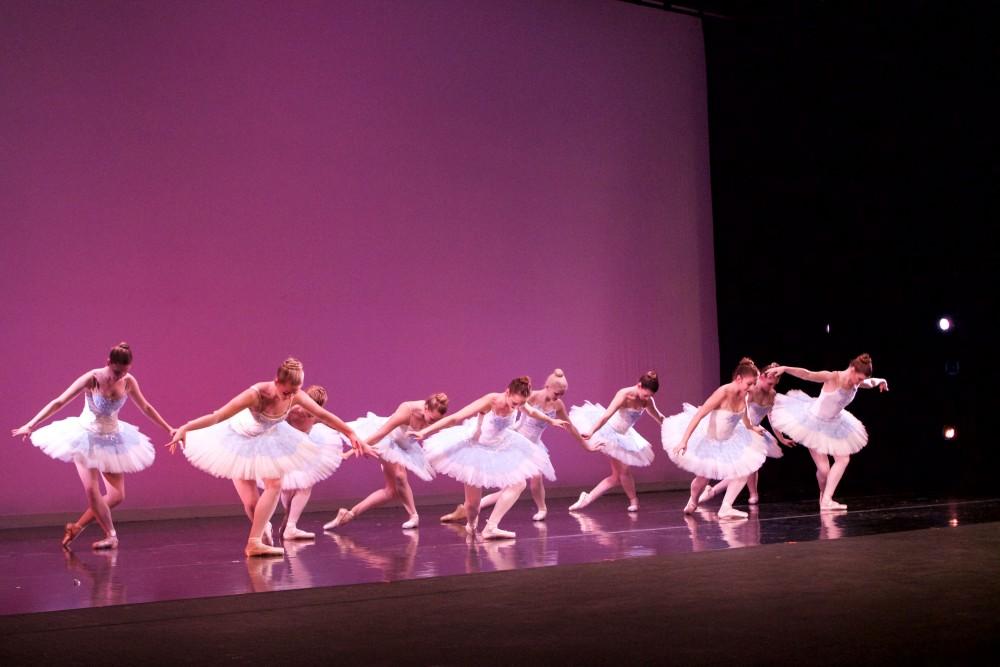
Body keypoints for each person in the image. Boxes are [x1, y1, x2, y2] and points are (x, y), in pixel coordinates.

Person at [166, 358, 370, 557]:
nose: (289, 396)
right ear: (277, 381)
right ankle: (261, 531)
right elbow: (217, 416)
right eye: (286, 391)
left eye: (294, 391)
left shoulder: (295, 394)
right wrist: (186, 428)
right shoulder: (256, 394)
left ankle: (253, 543)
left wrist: (351, 434)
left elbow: (323, 415)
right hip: (238, 441)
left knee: (275, 484)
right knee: (251, 503)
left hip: (266, 438)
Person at [11, 342, 174, 550]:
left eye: (123, 372)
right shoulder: (92, 378)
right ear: (108, 362)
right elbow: (59, 401)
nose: (118, 377)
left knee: (117, 496)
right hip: (86, 437)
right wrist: (30, 424)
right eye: (116, 371)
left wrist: (168, 428)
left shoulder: (129, 381)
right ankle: (111, 536)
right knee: (92, 490)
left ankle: (77, 527)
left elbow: (146, 407)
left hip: (112, 439)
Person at [411, 377, 563, 539]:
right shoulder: (492, 400)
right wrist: (424, 432)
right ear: (507, 392)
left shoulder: (520, 401)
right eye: (514, 403)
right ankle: (471, 524)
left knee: (519, 484)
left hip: (500, 446)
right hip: (477, 448)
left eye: (520, 404)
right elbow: (455, 418)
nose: (517, 407)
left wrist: (550, 420)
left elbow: (532, 411)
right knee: (473, 506)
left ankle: (491, 526)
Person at [768, 353, 888, 511]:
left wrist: (882, 381)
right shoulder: (832, 377)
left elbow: (870, 382)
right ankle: (824, 496)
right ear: (852, 369)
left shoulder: (857, 383)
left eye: (861, 380)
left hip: (835, 423)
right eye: (858, 378)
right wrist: (785, 368)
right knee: (824, 470)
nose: (859, 382)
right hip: (813, 423)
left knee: (843, 459)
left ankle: (826, 500)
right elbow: (807, 374)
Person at [324, 392, 449, 530]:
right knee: (400, 475)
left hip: (406, 446)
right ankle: (414, 516)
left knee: (391, 492)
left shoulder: (436, 416)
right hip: (388, 442)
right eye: (431, 419)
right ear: (426, 408)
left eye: (435, 421)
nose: (430, 423)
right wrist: (351, 452)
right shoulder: (407, 411)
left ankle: (349, 514)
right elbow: (381, 433)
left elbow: (450, 424)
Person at [662, 358, 767, 519]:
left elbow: (745, 419)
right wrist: (684, 440)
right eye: (750, 383)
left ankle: (725, 507)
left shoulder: (744, 395)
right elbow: (699, 415)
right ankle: (693, 500)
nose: (752, 387)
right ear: (738, 378)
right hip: (710, 440)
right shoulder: (723, 392)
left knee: (744, 470)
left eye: (754, 384)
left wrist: (753, 427)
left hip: (728, 441)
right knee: (703, 479)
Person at [698, 363, 796, 506]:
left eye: (774, 382)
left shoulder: (773, 395)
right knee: (746, 466)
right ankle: (716, 491)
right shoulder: (752, 390)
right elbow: (742, 409)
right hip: (742, 428)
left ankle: (744, 493)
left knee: (751, 465)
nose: (771, 385)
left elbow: (772, 417)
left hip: (754, 430)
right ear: (762, 377)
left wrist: (781, 438)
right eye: (769, 381)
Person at [567, 371, 665, 513]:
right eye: (646, 394)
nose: (647, 398)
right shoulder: (624, 394)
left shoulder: (647, 401)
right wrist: (591, 431)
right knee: (623, 471)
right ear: (639, 385)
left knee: (617, 476)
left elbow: (658, 416)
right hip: (610, 432)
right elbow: (606, 416)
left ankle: (588, 498)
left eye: (650, 396)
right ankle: (632, 501)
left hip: (625, 435)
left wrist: (672, 427)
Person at [272, 385, 349, 540]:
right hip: (286, 451)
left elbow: (336, 425)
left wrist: (352, 443)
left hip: (302, 450)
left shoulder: (317, 415)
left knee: (303, 484)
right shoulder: (292, 411)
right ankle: (289, 524)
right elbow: (275, 423)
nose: (312, 411)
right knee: (290, 485)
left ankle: (290, 524)